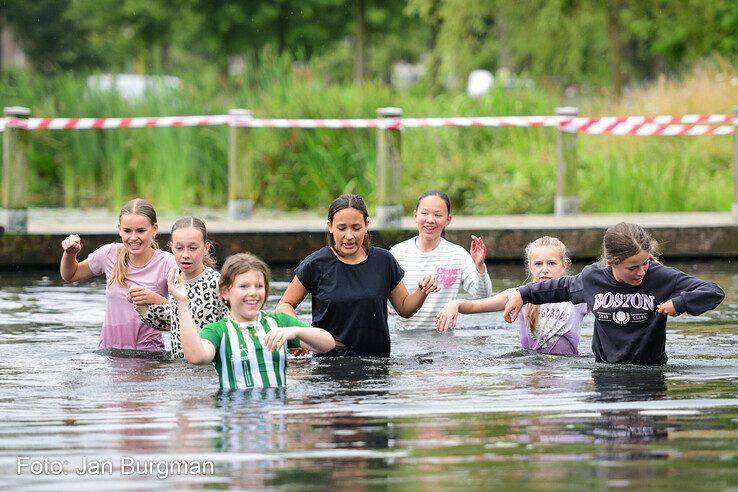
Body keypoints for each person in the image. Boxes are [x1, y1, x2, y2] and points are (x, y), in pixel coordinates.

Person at [503, 223, 725, 364]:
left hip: (649, 372)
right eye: (632, 268)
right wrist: (523, 294)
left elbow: (713, 291)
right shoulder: (593, 278)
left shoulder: (659, 277)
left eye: (645, 263)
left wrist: (681, 302)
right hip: (605, 372)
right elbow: (560, 288)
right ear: (611, 263)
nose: (641, 272)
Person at [276, 194, 439, 357]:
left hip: (377, 363)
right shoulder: (316, 264)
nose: (349, 236)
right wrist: (300, 335)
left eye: (356, 228)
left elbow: (405, 308)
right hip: (330, 362)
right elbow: (284, 306)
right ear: (330, 226)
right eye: (341, 228)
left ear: (366, 225)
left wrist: (421, 291)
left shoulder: (383, 261)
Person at [170, 252, 335, 390]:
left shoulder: (279, 322)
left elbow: (327, 344)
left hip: (275, 422)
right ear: (225, 292)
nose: (253, 293)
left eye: (259, 286)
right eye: (244, 286)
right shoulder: (217, 331)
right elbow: (196, 357)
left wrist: (296, 331)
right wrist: (182, 302)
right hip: (236, 418)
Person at [435, 236, 588, 355]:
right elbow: (475, 305)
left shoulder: (577, 296)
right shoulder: (517, 296)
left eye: (552, 263)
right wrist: (455, 304)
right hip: (531, 366)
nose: (545, 270)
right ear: (529, 267)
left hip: (566, 367)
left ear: (564, 265)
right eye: (538, 264)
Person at [60, 198, 176, 351]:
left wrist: (155, 299)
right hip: (109, 353)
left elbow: (187, 312)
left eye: (141, 231)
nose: (133, 237)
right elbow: (70, 275)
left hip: (149, 355)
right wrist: (69, 254)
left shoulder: (168, 262)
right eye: (127, 231)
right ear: (119, 229)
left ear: (154, 229)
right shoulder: (109, 253)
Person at [390, 190, 492, 330]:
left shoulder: (458, 255)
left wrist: (479, 266)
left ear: (448, 220)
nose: (430, 220)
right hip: (405, 338)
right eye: (424, 213)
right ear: (415, 215)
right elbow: (377, 289)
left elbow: (483, 297)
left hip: (444, 341)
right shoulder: (397, 253)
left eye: (438, 215)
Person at [135, 216, 228, 358]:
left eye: (193, 248)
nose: (185, 255)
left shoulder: (217, 283)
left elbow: (233, 326)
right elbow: (174, 320)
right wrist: (143, 307)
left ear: (206, 248)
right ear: (171, 247)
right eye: (179, 248)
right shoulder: (175, 279)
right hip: (179, 367)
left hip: (208, 370)